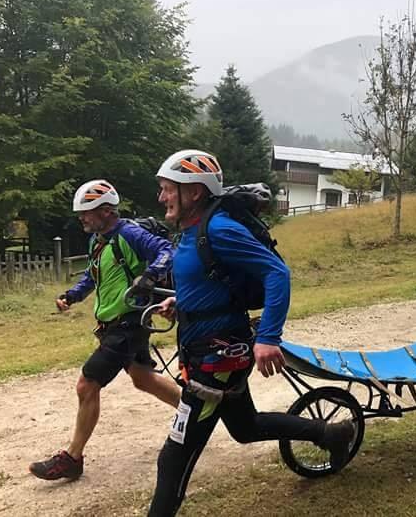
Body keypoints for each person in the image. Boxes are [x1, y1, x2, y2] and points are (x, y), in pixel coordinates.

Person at [148, 150, 354, 516]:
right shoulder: (195, 230)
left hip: (218, 360)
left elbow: (277, 274)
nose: (162, 197)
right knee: (245, 427)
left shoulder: (221, 229)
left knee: (173, 457)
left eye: (168, 189)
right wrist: (182, 303)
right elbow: (212, 280)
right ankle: (330, 434)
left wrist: (269, 337)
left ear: (194, 192)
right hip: (206, 348)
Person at [29, 180, 180, 480]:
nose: (82, 217)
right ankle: (197, 410)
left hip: (129, 322)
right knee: (143, 378)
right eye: (80, 213)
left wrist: (149, 277)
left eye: (87, 211)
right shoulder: (97, 240)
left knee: (87, 385)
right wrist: (72, 295)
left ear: (107, 211)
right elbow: (92, 276)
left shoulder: (129, 233)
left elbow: (167, 251)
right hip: (113, 323)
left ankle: (72, 458)